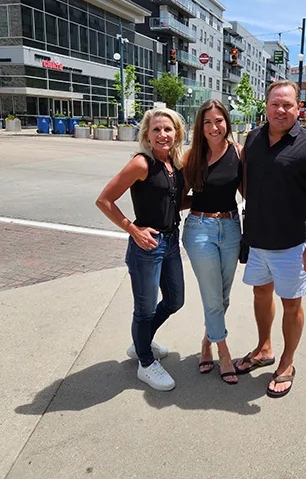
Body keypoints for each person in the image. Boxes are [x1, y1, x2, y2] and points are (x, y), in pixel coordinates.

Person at [234, 80, 306, 398]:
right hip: (256, 241)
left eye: (288, 105)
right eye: (275, 104)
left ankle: (287, 362)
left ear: (297, 108)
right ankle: (264, 348)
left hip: (293, 245)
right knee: (260, 295)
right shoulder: (252, 139)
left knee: (292, 305)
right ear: (265, 106)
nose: (281, 110)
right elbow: (245, 184)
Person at [96, 108, 185, 391]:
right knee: (144, 310)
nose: (162, 134)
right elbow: (104, 200)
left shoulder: (174, 164)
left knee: (175, 300)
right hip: (146, 247)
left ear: (177, 133)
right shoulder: (141, 163)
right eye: (156, 129)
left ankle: (141, 343)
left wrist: (202, 202)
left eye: (167, 129)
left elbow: (170, 202)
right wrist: (132, 229)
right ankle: (145, 362)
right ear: (147, 134)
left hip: (170, 243)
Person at [182, 100, 242, 385]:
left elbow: (250, 193)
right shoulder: (191, 156)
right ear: (200, 126)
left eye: (218, 121)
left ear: (226, 123)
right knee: (212, 296)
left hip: (231, 227)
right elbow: (177, 196)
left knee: (223, 296)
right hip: (199, 228)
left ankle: (206, 343)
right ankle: (223, 351)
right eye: (207, 122)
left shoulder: (238, 154)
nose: (214, 127)